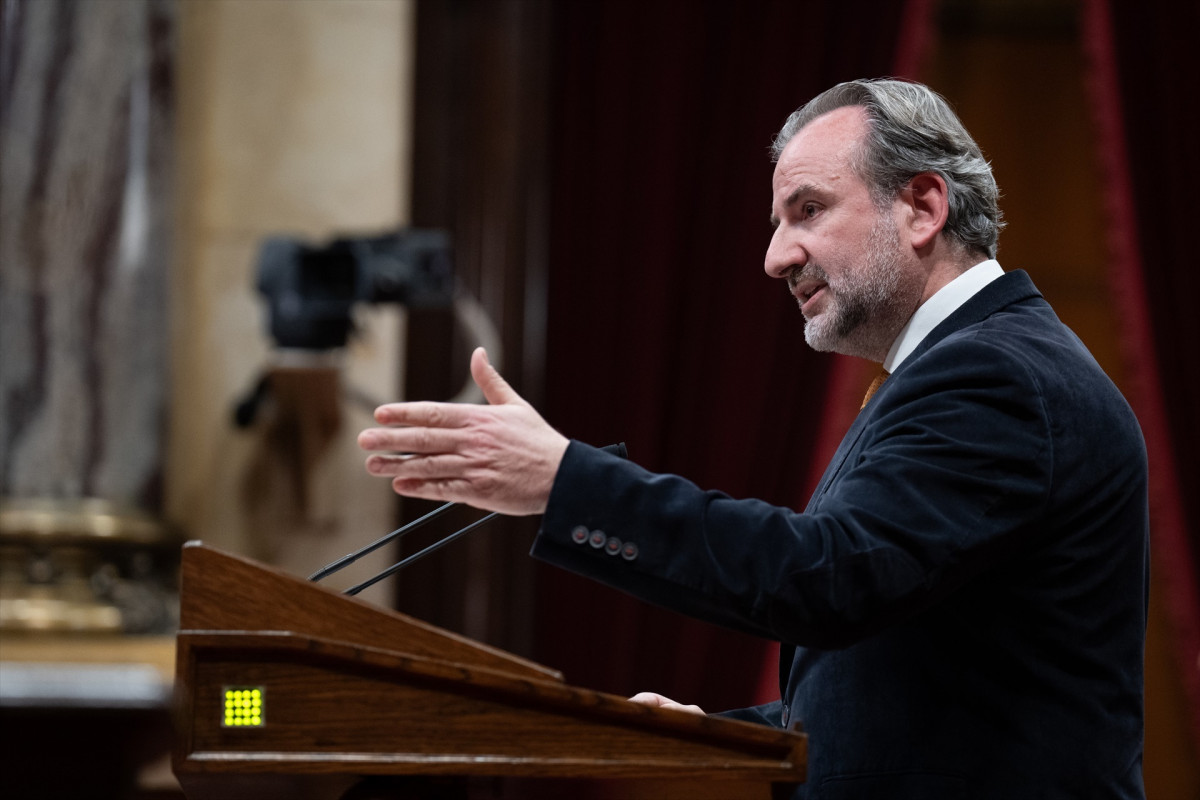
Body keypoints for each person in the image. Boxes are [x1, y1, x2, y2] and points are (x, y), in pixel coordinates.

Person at [357, 79, 1148, 799]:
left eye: (807, 210)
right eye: (777, 222)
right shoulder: (957, 372)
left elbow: (824, 581)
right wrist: (713, 741)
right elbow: (909, 703)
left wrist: (566, 480)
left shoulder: (998, 376)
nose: (775, 258)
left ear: (923, 207)